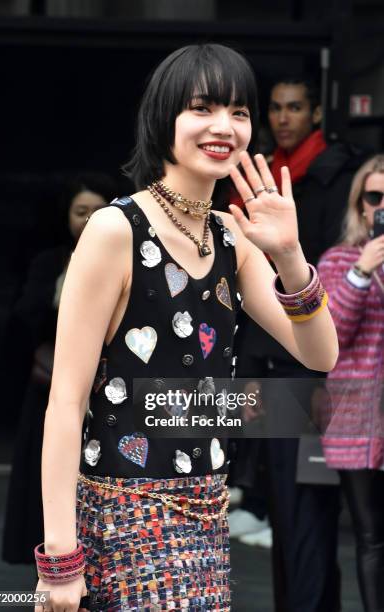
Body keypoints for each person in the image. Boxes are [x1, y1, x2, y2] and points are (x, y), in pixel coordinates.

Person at [33, 44, 338, 612]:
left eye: (239, 112)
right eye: (203, 108)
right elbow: (66, 401)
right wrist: (60, 560)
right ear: (163, 119)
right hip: (124, 510)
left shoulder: (230, 235)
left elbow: (320, 355)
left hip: (206, 508)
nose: (225, 126)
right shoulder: (114, 229)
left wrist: (292, 255)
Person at [230, 76, 366, 611]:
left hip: (319, 370)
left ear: (315, 114)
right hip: (272, 363)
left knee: (307, 511)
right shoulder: (258, 178)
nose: (284, 117)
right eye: (277, 109)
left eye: (295, 107)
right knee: (287, 509)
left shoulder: (336, 175)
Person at [2, 174, 117, 564]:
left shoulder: (129, 259)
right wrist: (62, 292)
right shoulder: (50, 261)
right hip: (53, 388)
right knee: (46, 487)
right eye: (80, 212)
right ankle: (49, 567)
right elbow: (24, 319)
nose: (88, 220)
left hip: (108, 396)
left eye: (98, 212)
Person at [318, 154, 384, 612]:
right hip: (359, 417)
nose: (382, 206)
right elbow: (329, 337)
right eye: (375, 196)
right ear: (360, 205)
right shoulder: (339, 259)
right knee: (371, 537)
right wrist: (363, 270)